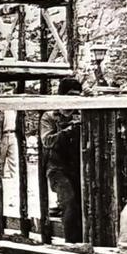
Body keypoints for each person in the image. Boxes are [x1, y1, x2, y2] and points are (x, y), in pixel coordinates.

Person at [40, 77, 84, 243]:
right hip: (57, 168)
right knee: (69, 201)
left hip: (78, 167)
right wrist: (68, 130)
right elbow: (47, 141)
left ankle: (84, 241)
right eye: (71, 95)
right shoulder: (50, 116)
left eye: (77, 96)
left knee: (82, 204)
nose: (74, 99)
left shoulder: (81, 113)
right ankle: (72, 244)